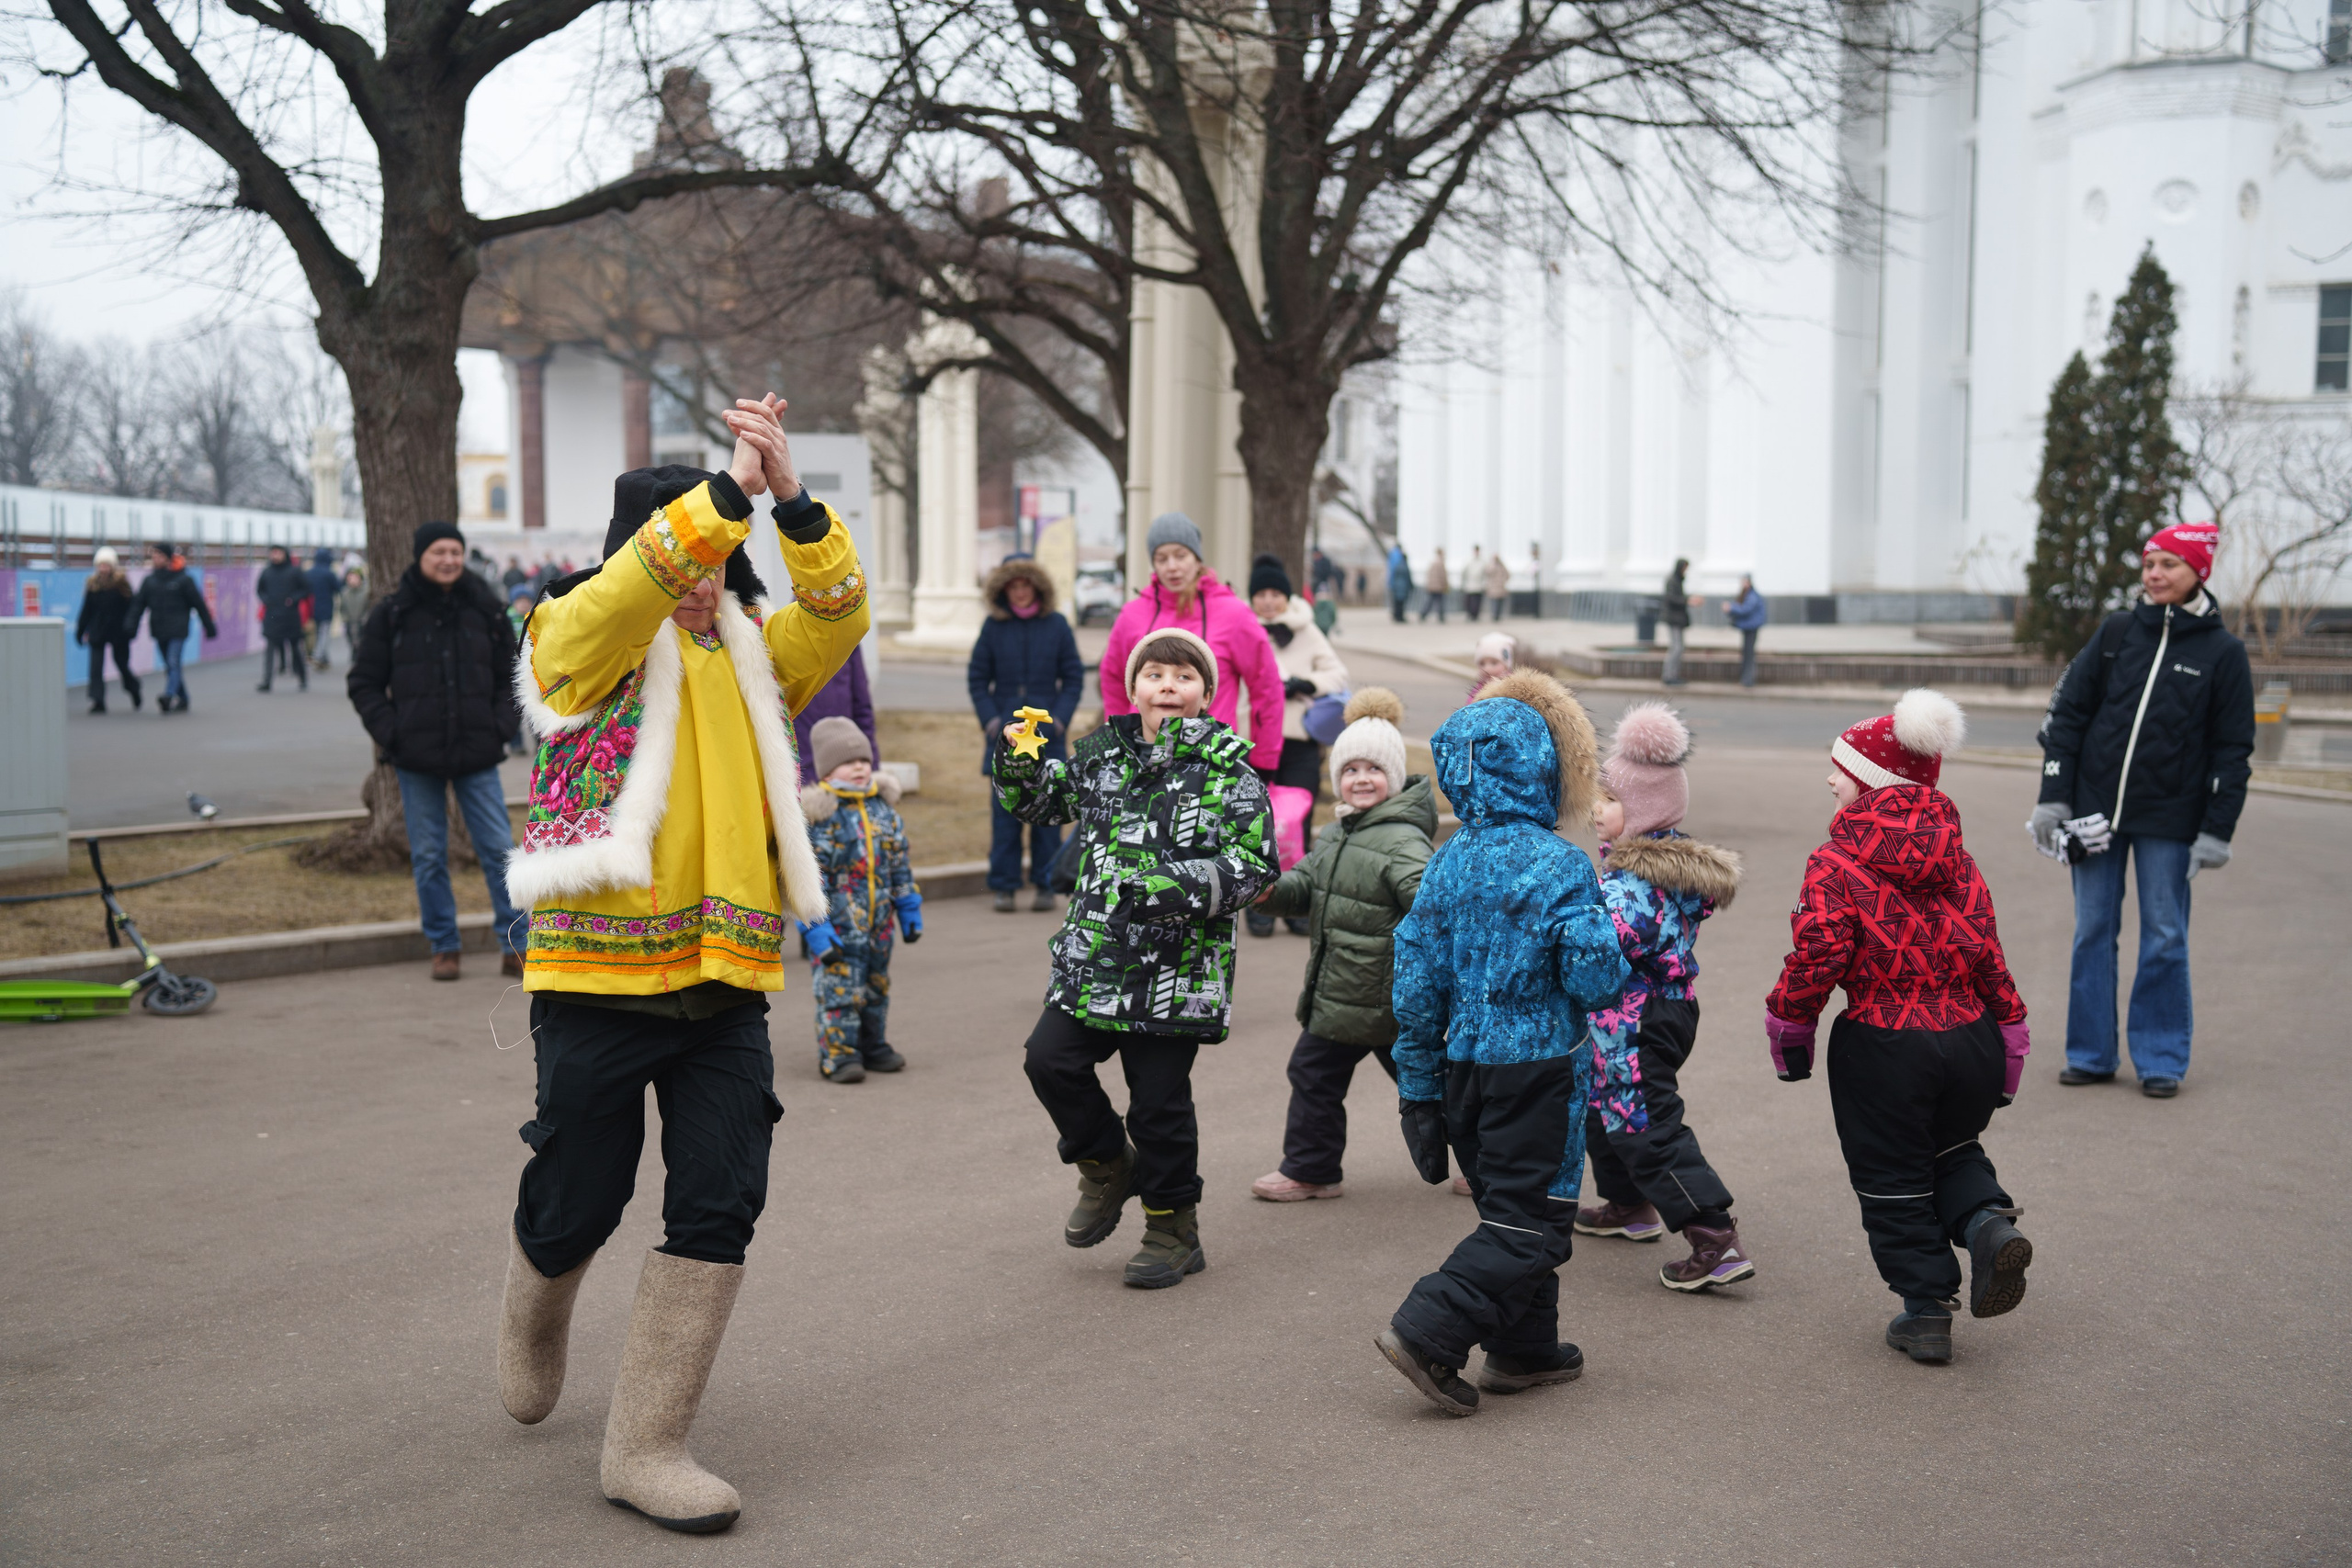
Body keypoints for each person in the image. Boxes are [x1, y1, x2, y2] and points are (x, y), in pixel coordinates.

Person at [492, 396, 867, 1535]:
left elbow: (837, 613)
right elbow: (637, 581)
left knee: (721, 1197)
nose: (705, 575)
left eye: (719, 560)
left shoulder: (750, 656)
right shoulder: (575, 638)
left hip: (727, 984)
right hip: (596, 982)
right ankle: (536, 1303)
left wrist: (791, 500)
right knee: (580, 1197)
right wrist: (722, 497)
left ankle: (646, 1445)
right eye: (689, 553)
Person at [1375, 669, 1627, 1416]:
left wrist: (1418, 1089)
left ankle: (1525, 1348)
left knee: (1511, 1212)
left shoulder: (1449, 859)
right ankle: (1429, 1328)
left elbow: (1415, 979)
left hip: (1466, 1069)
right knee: (1534, 1224)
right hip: (1539, 1069)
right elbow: (1597, 981)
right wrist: (1593, 932)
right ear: (1545, 768)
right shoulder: (1559, 863)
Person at [995, 627, 1275, 1289]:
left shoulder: (1230, 770)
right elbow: (1042, 802)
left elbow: (1254, 866)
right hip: (1096, 958)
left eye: (1183, 676)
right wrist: (1019, 762)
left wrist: (1169, 888)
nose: (1168, 686)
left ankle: (1173, 1227)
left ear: (1207, 693)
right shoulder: (1102, 757)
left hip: (1177, 973)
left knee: (1158, 1104)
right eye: (1155, 674)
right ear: (1134, 688)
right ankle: (1105, 1163)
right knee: (1049, 1060)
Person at [1765, 689, 2034, 1365]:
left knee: (1892, 1176)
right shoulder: (1959, 858)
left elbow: (1818, 955)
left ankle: (1925, 1311)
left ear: (1873, 782)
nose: (1831, 778)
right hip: (1968, 1035)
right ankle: (1986, 1224)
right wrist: (2011, 1038)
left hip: (1885, 1045)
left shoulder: (1837, 862)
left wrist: (1789, 1028)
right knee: (1953, 1148)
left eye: (1843, 768)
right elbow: (1989, 952)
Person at [2031, 520, 2252, 1100]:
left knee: (2164, 935)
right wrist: (2053, 797)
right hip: (2093, 815)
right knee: (2092, 931)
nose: (2154, 575)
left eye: (2169, 565)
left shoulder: (2223, 654)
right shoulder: (2116, 632)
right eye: (2150, 565)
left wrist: (2216, 829)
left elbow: (2233, 749)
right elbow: (2067, 717)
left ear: (2197, 572)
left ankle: (2160, 1058)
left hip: (2171, 820)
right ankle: (2091, 1053)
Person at [1577, 703, 1751, 1291]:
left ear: (1644, 810)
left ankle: (1714, 1237)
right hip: (1637, 1014)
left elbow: (1606, 942)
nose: (1593, 810)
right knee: (1606, 1108)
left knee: (1643, 1122)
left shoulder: (1636, 883)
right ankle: (1629, 1205)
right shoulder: (1642, 867)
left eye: (1607, 800)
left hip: (1639, 1017)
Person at [1249, 689, 1437, 1201]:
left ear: (1394, 778)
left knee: (1429, 1084)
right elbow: (1303, 888)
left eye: (1373, 770)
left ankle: (1480, 1163)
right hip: (1344, 994)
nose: (1360, 779)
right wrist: (1265, 892)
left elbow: (1431, 908)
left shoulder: (1401, 840)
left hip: (1391, 998)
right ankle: (1313, 1169)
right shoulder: (1336, 835)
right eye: (1349, 770)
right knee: (1318, 1075)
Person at [348, 520, 526, 983]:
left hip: (477, 754)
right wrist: (394, 733)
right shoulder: (392, 613)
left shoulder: (486, 609)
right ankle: (443, 945)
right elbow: (364, 683)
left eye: (455, 551)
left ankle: (517, 943)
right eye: (438, 552)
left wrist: (500, 729)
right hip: (416, 758)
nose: (448, 559)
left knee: (497, 850)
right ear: (420, 556)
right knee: (428, 855)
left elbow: (516, 677)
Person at [1098, 512, 1283, 774]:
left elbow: (1266, 687)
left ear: (1198, 559)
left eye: (1181, 555)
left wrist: (1264, 760)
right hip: (1142, 760)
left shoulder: (1234, 614)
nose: (1171, 566)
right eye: (1161, 558)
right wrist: (1118, 742)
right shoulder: (1132, 615)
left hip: (1212, 764)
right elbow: (1114, 680)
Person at [798, 716, 921, 1083]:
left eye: (864, 761)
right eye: (848, 761)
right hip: (838, 927)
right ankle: (839, 1054)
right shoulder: (820, 817)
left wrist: (909, 908)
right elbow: (805, 883)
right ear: (826, 769)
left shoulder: (884, 812)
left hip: (879, 924)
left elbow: (899, 865)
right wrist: (815, 932)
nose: (859, 767)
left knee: (875, 986)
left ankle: (872, 1044)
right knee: (839, 990)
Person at [969, 556, 1085, 912]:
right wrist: (992, 721)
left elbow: (1074, 677)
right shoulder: (993, 626)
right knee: (1004, 815)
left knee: (1048, 813)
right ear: (1004, 590)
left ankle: (1046, 883)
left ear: (1036, 587)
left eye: (1026, 585)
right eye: (1013, 586)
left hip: (1048, 738)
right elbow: (977, 679)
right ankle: (1004, 885)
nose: (1020, 593)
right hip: (1006, 737)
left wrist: (1061, 719)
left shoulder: (1057, 625)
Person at [1246, 552, 1349, 937]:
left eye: (1276, 593)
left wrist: (1306, 683)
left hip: (1300, 741)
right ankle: (1257, 903)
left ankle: (1294, 903)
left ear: (1287, 597)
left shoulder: (1307, 630)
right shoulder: (1243, 628)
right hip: (1254, 741)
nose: (1269, 601)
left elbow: (1337, 675)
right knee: (1255, 824)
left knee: (1298, 822)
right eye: (1262, 594)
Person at [127, 542, 216, 714]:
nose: (155, 559)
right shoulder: (150, 581)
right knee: (170, 665)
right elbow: (138, 606)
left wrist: (208, 626)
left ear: (168, 558)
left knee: (173, 661)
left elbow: (199, 604)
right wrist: (131, 626)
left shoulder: (184, 580)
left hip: (178, 629)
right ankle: (184, 697)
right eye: (154, 556)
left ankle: (168, 695)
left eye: (159, 555)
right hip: (159, 629)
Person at [792, 645, 876, 786]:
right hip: (800, 763)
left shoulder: (848, 637)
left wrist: (871, 763)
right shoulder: (778, 635)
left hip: (845, 762)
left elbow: (862, 706)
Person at [75, 547, 141, 714]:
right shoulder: (92, 585)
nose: (103, 569)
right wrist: (80, 630)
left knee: (122, 664)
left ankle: (133, 688)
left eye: (107, 565)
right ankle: (98, 700)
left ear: (113, 566)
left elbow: (133, 608)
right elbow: (86, 610)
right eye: (100, 565)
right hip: (97, 631)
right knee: (95, 667)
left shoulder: (122, 584)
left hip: (119, 631)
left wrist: (131, 628)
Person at [255, 545, 311, 692]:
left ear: (285, 554)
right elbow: (260, 590)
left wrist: (293, 599)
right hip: (272, 615)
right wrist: (266, 599)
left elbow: (306, 589)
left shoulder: (294, 571)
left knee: (295, 649)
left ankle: (302, 677)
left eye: (278, 553)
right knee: (270, 649)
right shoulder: (267, 572)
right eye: (273, 553)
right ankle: (266, 681)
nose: (275, 555)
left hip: (290, 616)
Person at [1724, 575, 1768, 688]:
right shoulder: (1748, 594)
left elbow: (1745, 609)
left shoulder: (1752, 596)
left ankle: (1748, 680)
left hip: (1751, 628)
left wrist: (1731, 608)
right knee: (1747, 653)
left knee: (1749, 654)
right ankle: (1746, 678)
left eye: (1744, 582)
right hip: (1748, 627)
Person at [1659, 557, 1695, 687]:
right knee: (1676, 647)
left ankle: (1673, 675)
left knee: (1679, 647)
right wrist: (1687, 600)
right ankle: (1668, 675)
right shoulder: (1672, 580)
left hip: (1678, 619)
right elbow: (1671, 598)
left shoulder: (1678, 580)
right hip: (1674, 619)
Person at [306, 547, 342, 671]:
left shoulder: (309, 573)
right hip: (326, 607)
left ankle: (323, 659)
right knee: (324, 633)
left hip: (311, 608)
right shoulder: (329, 573)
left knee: (317, 633)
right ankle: (318, 656)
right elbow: (339, 588)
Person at [1467, 631, 1514, 703]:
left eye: (1494, 663)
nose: (1487, 669)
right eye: (1482, 664)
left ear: (1506, 666)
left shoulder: (1512, 686)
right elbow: (1469, 705)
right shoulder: (1479, 688)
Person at [337, 567, 370, 664]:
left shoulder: (366, 592)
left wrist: (365, 618)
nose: (352, 580)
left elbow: (368, 607)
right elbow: (342, 608)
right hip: (350, 622)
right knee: (353, 641)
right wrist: (345, 619)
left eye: (355, 577)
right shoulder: (345, 593)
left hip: (362, 622)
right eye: (350, 578)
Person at [1419, 547, 1450, 623]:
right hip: (1438, 586)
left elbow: (1429, 575)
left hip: (1432, 586)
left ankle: (1423, 614)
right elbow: (1443, 576)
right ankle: (1441, 616)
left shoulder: (1432, 562)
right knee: (1439, 602)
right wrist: (1445, 585)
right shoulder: (1440, 563)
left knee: (1430, 602)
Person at [1385, 542, 1413, 623]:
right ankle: (1399, 616)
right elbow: (1407, 576)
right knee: (1400, 603)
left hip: (1395, 585)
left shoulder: (1393, 555)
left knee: (1396, 602)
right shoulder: (1401, 562)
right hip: (1402, 587)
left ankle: (1396, 615)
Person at [1483, 547, 1510, 624]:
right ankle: (1494, 615)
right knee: (1494, 602)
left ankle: (1497, 615)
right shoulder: (1491, 566)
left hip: (1500, 587)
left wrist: (1503, 581)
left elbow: (1507, 575)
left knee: (1499, 603)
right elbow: (1487, 572)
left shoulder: (1502, 566)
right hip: (1493, 588)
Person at [1463, 546, 1487, 622]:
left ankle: (1475, 616)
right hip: (1470, 584)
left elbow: (1485, 573)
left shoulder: (1482, 562)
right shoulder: (1469, 561)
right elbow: (1464, 572)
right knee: (1469, 602)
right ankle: (1470, 615)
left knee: (1477, 603)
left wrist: (1484, 584)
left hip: (1478, 585)